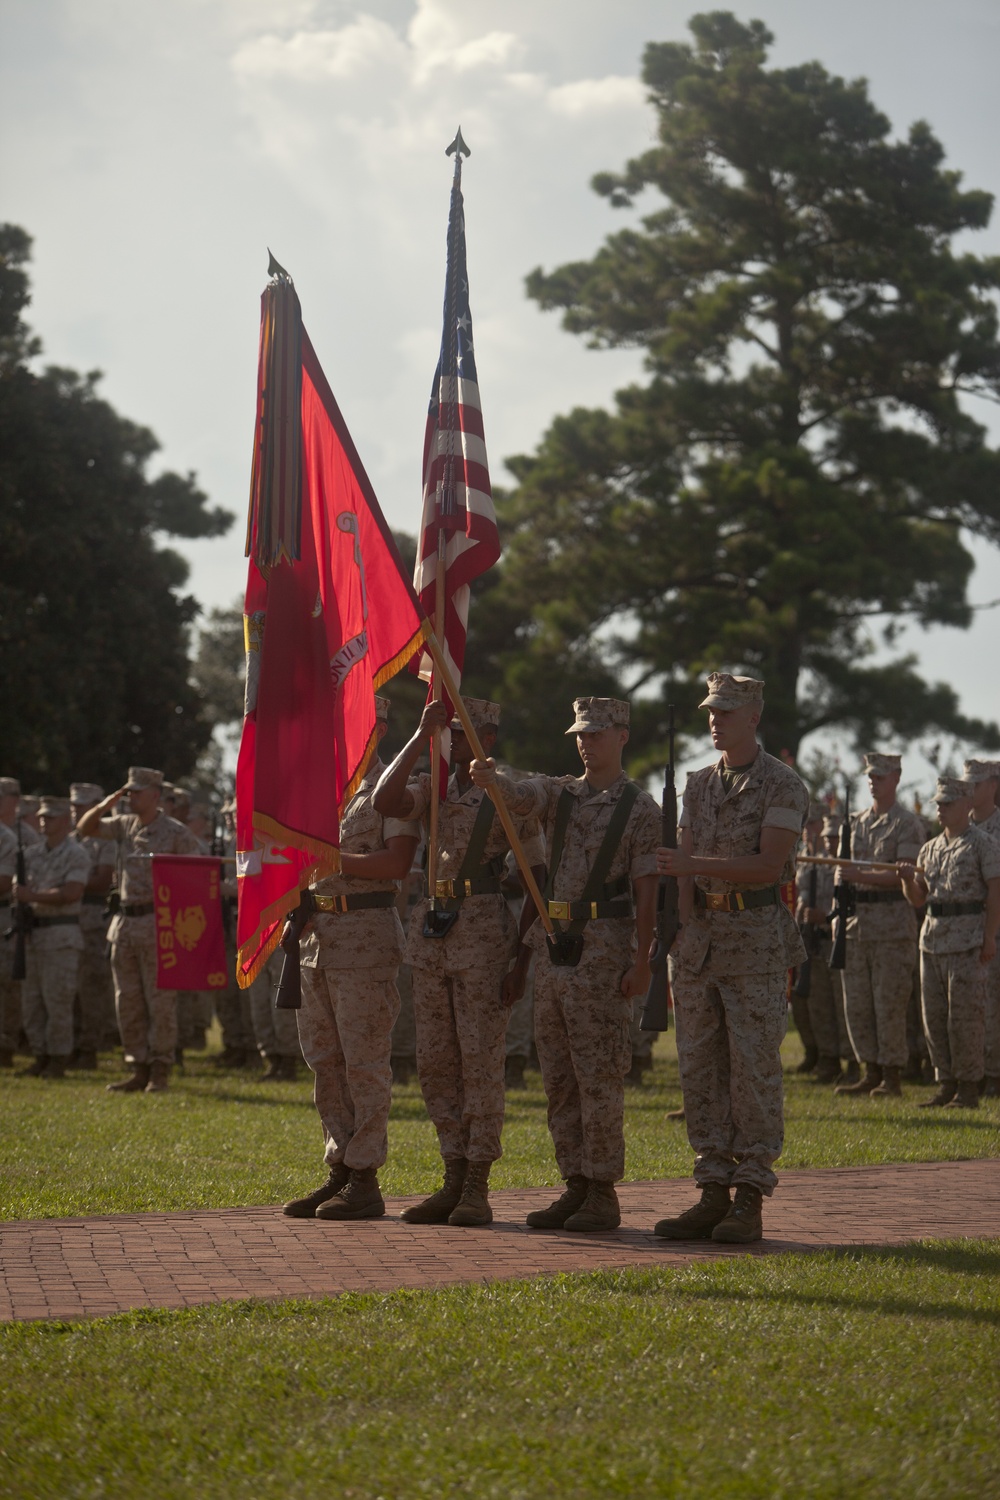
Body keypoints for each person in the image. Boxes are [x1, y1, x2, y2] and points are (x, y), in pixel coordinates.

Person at [471, 696, 659, 1233]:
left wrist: (643, 960)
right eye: (579, 731)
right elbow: (523, 795)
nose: (585, 740)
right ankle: (574, 1183)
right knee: (558, 1076)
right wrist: (494, 780)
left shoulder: (641, 809)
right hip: (555, 950)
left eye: (596, 732)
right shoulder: (560, 794)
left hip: (603, 951)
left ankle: (602, 1190)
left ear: (622, 736)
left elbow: (648, 890)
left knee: (599, 1075)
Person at [374, 697, 544, 1228]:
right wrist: (417, 734)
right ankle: (451, 1173)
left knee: (480, 1061)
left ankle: (477, 1183)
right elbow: (385, 800)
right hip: (432, 934)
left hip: (483, 935)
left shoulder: (507, 794)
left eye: (461, 733)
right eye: (448, 734)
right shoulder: (433, 788)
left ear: (487, 737)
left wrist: (521, 960)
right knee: (436, 1062)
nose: (453, 742)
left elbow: (539, 879)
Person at [652, 673, 808, 1244]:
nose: (714, 720)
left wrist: (690, 869)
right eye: (711, 711)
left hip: (756, 941)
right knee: (701, 1069)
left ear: (754, 716)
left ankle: (749, 1194)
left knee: (753, 1070)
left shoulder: (782, 785)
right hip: (702, 946)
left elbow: (769, 865)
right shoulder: (696, 783)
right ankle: (712, 1188)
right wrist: (685, 922)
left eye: (726, 711)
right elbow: (685, 856)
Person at [284, 697, 419, 1221]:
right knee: (325, 1061)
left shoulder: (391, 792)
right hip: (319, 939)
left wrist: (333, 859)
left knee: (364, 1063)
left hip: (366, 938)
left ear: (380, 726)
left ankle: (365, 1178)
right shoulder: (322, 794)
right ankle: (339, 1166)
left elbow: (396, 864)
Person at [76, 767, 200, 1092]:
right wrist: (107, 803)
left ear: (155, 795)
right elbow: (84, 827)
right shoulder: (124, 825)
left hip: (159, 925)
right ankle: (137, 1066)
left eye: (136, 792)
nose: (130, 797)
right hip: (125, 925)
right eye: (128, 791)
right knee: (127, 1000)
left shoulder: (176, 833)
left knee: (160, 1001)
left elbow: (198, 877)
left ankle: (160, 1068)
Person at [899, 776, 1000, 1109]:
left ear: (966, 805)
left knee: (966, 1019)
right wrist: (905, 881)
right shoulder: (930, 847)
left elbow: (995, 893)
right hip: (932, 940)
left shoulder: (982, 843)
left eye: (947, 803)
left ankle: (969, 1088)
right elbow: (918, 899)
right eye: (938, 804)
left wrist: (989, 937)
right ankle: (945, 1083)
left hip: (968, 941)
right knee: (935, 1017)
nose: (940, 809)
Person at [833, 753, 924, 1099]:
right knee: (857, 1004)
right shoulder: (855, 823)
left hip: (892, 926)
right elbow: (842, 876)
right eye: (871, 776)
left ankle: (892, 1075)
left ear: (897, 777)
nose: (874, 782)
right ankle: (869, 1070)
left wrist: (861, 875)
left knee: (889, 1004)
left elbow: (905, 873)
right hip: (857, 925)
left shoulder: (906, 824)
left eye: (881, 776)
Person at [12, 796, 92, 1078]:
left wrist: (31, 896)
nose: (45, 822)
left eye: (52, 817)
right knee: (32, 1001)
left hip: (61, 935)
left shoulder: (76, 853)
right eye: (43, 817)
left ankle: (58, 1058)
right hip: (34, 934)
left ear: (66, 821)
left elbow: (71, 892)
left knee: (57, 999)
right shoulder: (31, 854)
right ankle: (40, 1054)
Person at [795, 806, 846, 1084]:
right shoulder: (807, 861)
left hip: (832, 938)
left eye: (813, 823)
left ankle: (846, 1060)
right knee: (817, 1004)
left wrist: (824, 917)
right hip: (810, 938)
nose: (809, 829)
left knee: (838, 1003)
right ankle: (825, 1057)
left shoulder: (835, 862)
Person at [69, 782, 118, 1068]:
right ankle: (72, 1043)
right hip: (71, 917)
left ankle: (89, 1046)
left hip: (92, 920)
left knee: (91, 986)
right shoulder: (72, 839)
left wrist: (71, 884)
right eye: (75, 805)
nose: (78, 810)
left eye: (84, 805)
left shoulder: (105, 838)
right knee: (72, 986)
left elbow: (102, 881)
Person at [964, 759, 1000, 1096]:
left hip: (994, 928)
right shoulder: (961, 828)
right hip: (964, 932)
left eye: (977, 782)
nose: (971, 788)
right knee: (974, 1007)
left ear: (993, 785)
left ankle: (994, 1076)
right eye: (968, 782)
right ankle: (976, 1074)